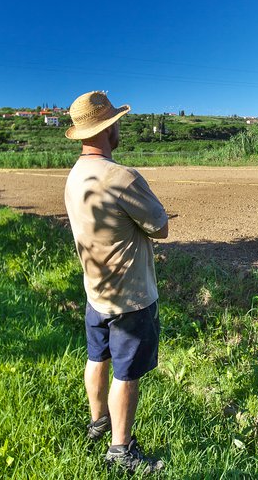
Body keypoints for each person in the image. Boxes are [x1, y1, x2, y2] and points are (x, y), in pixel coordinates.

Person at [63, 91, 168, 474]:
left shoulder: (75, 176)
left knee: (97, 358)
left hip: (96, 292)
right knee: (126, 375)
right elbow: (160, 226)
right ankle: (121, 452)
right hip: (130, 298)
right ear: (110, 128)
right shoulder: (122, 176)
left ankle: (97, 425)